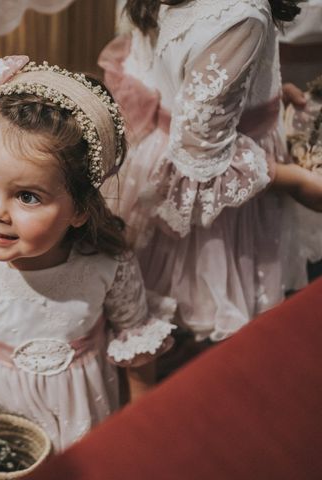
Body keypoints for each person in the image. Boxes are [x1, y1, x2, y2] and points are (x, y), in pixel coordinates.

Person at [0, 56, 177, 452]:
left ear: (79, 209)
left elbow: (135, 343)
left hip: (78, 411)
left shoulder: (109, 267)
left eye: (27, 196)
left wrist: (141, 411)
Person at [97, 0, 322, 347]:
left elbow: (183, 71)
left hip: (158, 150)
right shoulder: (239, 14)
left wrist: (260, 92)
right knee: (201, 310)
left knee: (157, 295)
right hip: (217, 184)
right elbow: (202, 159)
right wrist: (297, 181)